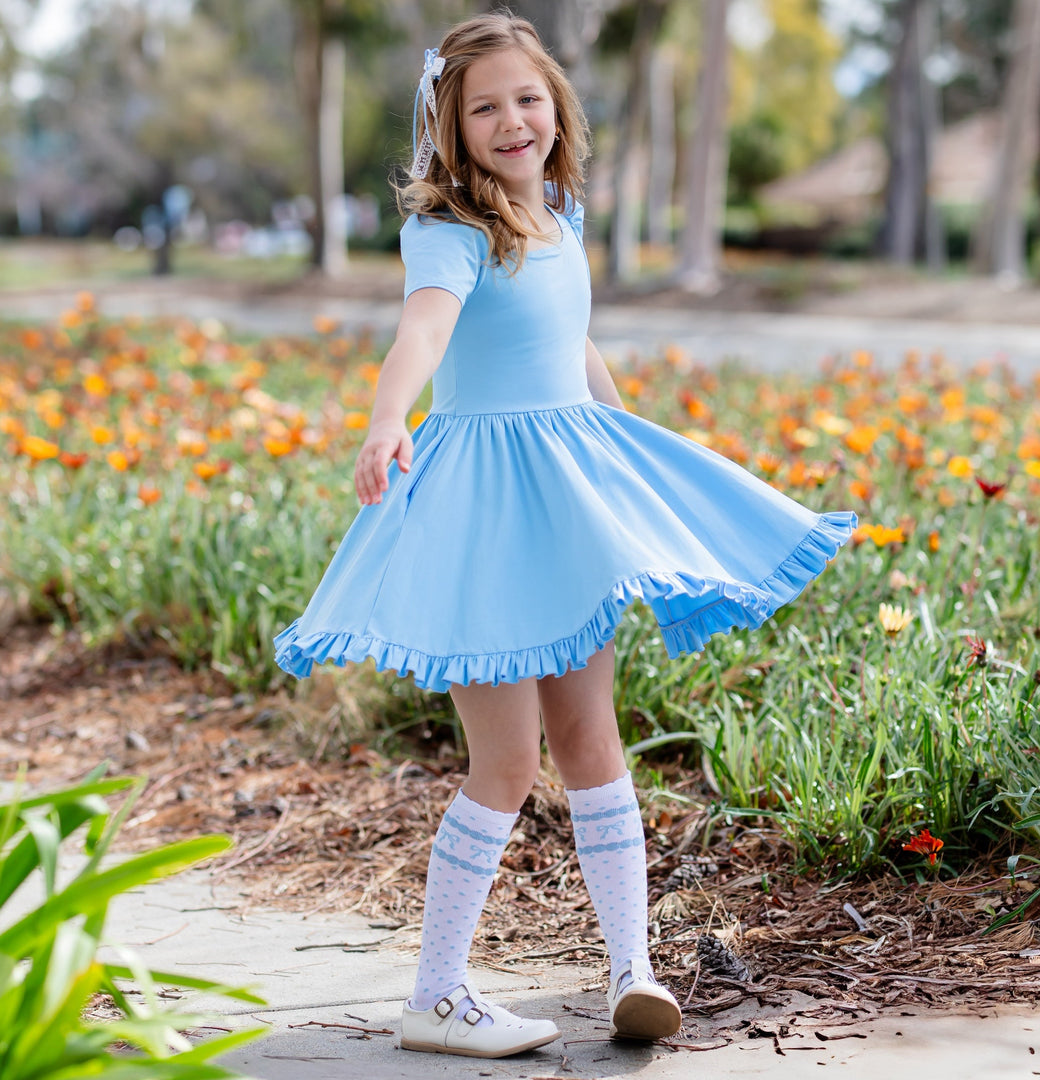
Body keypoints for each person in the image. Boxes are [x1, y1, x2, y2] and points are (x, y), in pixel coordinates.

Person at [275, 10, 856, 1061]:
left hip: (566, 502)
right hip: (483, 516)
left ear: (557, 109)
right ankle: (437, 991)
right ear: (450, 124)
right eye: (485, 106)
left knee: (591, 740)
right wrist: (382, 419)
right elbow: (424, 330)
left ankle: (630, 966)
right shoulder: (448, 231)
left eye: (527, 99)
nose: (511, 120)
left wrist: (631, 458)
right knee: (506, 761)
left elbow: (577, 351)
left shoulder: (562, 218)